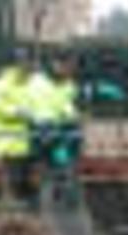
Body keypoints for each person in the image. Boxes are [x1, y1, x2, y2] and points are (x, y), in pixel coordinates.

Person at [27, 52, 83, 210]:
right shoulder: (39, 83)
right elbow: (37, 106)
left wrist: (73, 120)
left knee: (63, 160)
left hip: (58, 131)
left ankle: (63, 190)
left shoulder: (67, 84)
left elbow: (67, 106)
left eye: (73, 67)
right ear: (56, 64)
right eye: (68, 66)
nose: (70, 71)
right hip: (41, 130)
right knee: (39, 164)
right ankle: (34, 199)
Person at [0, 48, 37, 210]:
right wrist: (20, 112)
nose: (30, 67)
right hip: (9, 142)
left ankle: (26, 213)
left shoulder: (32, 84)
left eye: (30, 63)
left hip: (30, 142)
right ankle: (9, 212)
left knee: (27, 182)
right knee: (12, 181)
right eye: (25, 63)